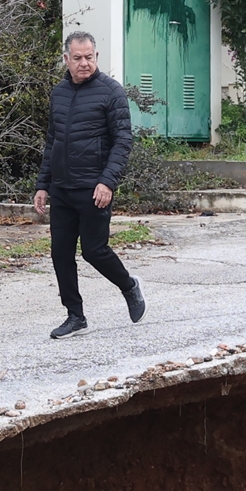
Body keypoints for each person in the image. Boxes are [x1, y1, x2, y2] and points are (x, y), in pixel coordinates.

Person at [33, 31, 145, 339]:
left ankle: (129, 286)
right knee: (60, 253)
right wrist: (43, 184)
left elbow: (123, 142)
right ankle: (75, 316)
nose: (85, 63)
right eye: (78, 58)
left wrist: (107, 182)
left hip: (94, 188)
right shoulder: (58, 93)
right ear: (66, 59)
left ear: (96, 56)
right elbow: (52, 142)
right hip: (62, 189)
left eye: (90, 57)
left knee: (94, 251)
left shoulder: (111, 92)